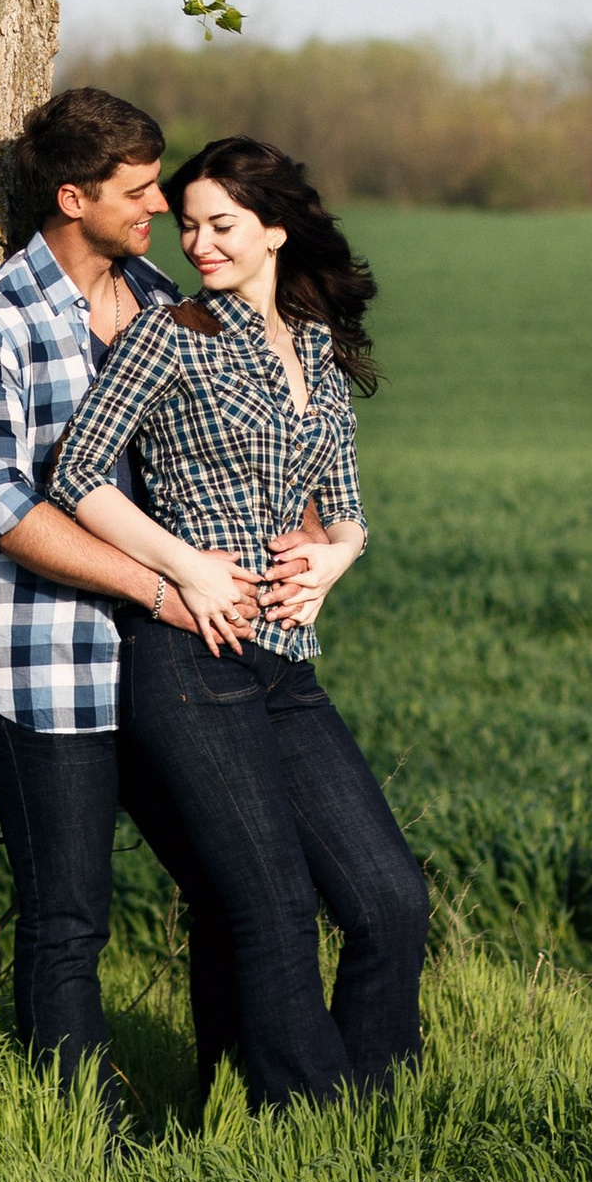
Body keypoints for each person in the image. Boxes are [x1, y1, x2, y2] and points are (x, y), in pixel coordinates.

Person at [50, 134, 428, 1110]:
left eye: (220, 225)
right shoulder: (172, 334)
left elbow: (343, 511)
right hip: (189, 657)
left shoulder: (313, 347)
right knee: (271, 908)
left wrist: (337, 560)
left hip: (285, 667)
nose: (200, 243)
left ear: (273, 230)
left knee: (388, 900)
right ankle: (311, 1133)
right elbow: (78, 473)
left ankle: (378, 1114)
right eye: (188, 226)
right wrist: (182, 567)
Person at [0, 86, 241, 1128]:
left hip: (172, 662)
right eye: (139, 190)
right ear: (73, 197)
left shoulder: (164, 306)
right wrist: (156, 584)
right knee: (67, 921)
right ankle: (87, 1143)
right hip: (46, 664)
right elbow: (1, 509)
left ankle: (228, 1110)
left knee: (231, 886)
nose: (160, 207)